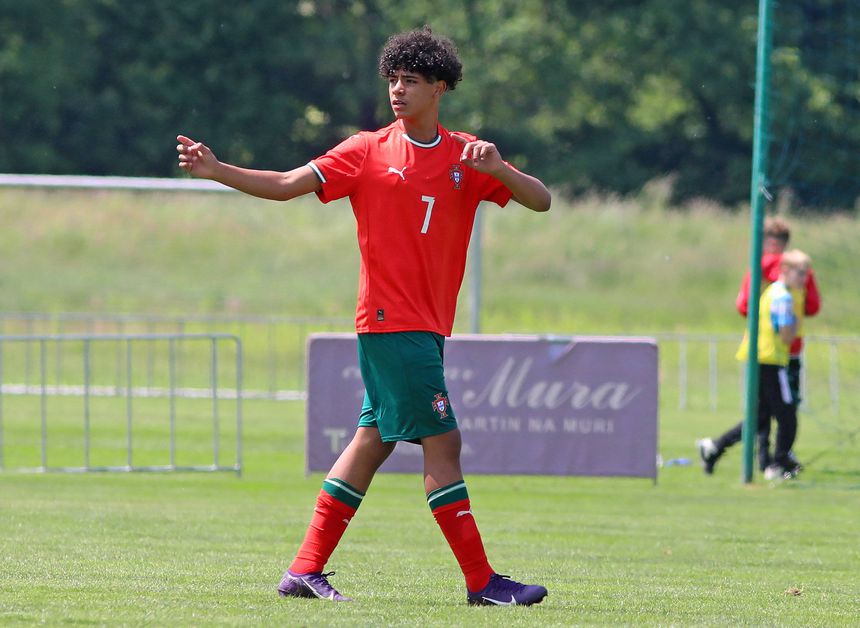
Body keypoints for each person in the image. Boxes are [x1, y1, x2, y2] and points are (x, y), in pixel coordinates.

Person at [176, 27, 551, 606]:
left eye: (412, 81)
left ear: (441, 88)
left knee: (372, 440)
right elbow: (283, 185)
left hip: (423, 326)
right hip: (391, 321)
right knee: (443, 442)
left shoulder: (466, 155)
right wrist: (219, 169)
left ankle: (304, 570)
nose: (398, 91)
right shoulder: (366, 150)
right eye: (392, 81)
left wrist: (500, 169)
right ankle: (483, 583)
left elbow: (541, 200)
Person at [697, 250, 811, 480]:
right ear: (785, 271)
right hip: (769, 361)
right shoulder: (783, 298)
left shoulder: (776, 292)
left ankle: (715, 448)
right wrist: (797, 312)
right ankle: (778, 464)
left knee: (759, 418)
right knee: (787, 414)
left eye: (807, 273)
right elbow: (788, 336)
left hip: (760, 359)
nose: (804, 279)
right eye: (801, 273)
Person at [734, 216, 821, 469]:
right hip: (786, 349)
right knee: (785, 409)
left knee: (763, 408)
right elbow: (813, 306)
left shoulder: (757, 267)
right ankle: (779, 459)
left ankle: (763, 458)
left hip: (760, 347)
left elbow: (743, 306)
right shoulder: (801, 270)